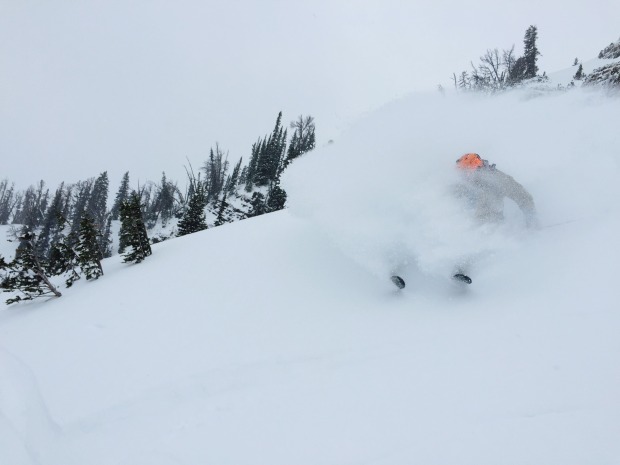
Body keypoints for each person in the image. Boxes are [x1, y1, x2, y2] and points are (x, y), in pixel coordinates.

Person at [451, 152, 538, 283]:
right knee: (457, 237)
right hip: (466, 222)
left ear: (475, 168)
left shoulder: (496, 178)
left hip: (489, 222)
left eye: (466, 172)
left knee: (477, 241)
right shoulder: (464, 183)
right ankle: (455, 271)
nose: (464, 176)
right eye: (462, 172)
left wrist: (531, 219)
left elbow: (523, 196)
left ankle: (462, 272)